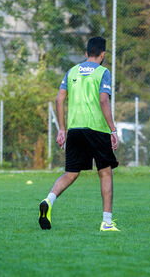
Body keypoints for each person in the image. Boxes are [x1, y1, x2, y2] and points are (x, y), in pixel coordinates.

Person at [38, 36, 120, 231]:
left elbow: (59, 100)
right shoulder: (103, 72)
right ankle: (107, 222)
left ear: (85, 53)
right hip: (96, 129)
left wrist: (61, 129)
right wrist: (113, 129)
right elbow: (103, 101)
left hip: (74, 130)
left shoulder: (72, 71)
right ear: (103, 54)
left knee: (71, 173)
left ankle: (48, 200)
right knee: (105, 173)